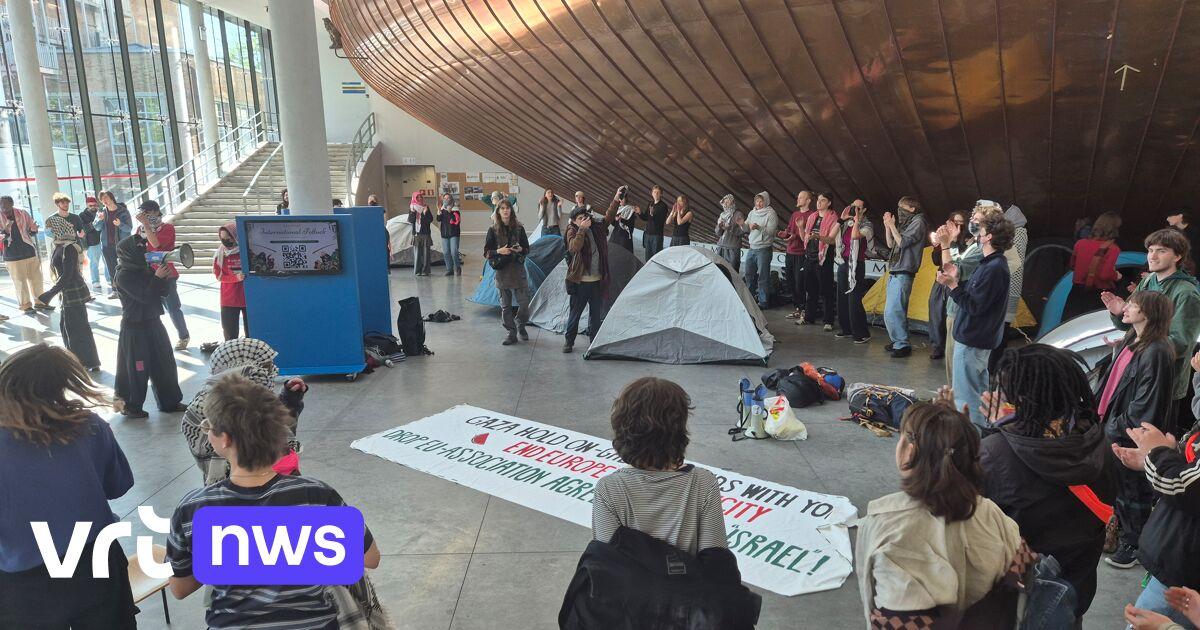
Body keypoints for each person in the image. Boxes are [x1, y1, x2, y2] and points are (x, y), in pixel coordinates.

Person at [167, 372, 380, 629]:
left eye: (209, 427)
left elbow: (179, 588)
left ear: (224, 439)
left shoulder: (194, 509)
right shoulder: (316, 495)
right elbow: (370, 558)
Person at [0, 344, 137, 630]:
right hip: (96, 563)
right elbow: (118, 485)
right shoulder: (89, 425)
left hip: (23, 583)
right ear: (63, 383)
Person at [980, 344, 1117, 620]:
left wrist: (999, 432)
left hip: (1015, 600)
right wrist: (1010, 427)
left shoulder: (994, 454)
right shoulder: (1097, 443)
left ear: (1020, 401)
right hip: (1070, 595)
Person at [856, 402, 1022, 627]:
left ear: (909, 451)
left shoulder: (886, 525)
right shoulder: (992, 514)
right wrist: (948, 430)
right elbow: (1022, 571)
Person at [593, 377, 726, 555]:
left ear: (622, 428)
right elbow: (716, 559)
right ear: (680, 429)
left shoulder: (609, 489)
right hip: (689, 582)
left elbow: (606, 562)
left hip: (630, 582)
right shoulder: (703, 483)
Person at [1095, 290, 1175, 569]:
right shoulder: (1135, 339)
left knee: (1133, 489)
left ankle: (1134, 542)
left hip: (1129, 433)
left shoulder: (1156, 351)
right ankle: (1126, 535)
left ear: (1148, 313)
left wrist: (1113, 429)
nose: (1126, 308)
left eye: (1132, 305)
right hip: (1116, 425)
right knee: (1121, 487)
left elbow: (1144, 406)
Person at [1103, 228, 1200, 437]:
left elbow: (1181, 343)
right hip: (1135, 369)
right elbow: (1130, 323)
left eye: (1161, 251)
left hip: (1165, 378)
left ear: (1177, 256)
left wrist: (1141, 347)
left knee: (1151, 434)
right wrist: (1119, 314)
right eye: (1150, 250)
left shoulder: (1187, 293)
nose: (1152, 256)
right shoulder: (1149, 281)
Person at [1112, 403, 1200, 630]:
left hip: (1184, 572)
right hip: (1177, 562)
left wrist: (1157, 453)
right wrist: (1153, 460)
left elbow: (1185, 486)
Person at [180, 338, 307, 484]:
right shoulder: (205, 407)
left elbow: (276, 431)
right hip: (251, 483)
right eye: (266, 366)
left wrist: (288, 400)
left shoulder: (204, 503)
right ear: (242, 368)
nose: (273, 371)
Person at [935, 213, 1013, 430]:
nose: (977, 230)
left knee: (965, 398)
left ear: (988, 237)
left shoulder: (994, 268)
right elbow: (976, 298)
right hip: (977, 339)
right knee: (979, 394)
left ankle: (968, 443)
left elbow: (974, 307)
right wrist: (957, 281)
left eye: (981, 228)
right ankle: (979, 437)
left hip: (972, 340)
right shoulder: (991, 264)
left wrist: (952, 286)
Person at [113, 234, 185, 418]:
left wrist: (164, 279)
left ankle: (170, 401)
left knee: (165, 363)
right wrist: (157, 278)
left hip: (153, 323)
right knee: (136, 369)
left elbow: (160, 293)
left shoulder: (144, 269)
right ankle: (130, 406)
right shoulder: (123, 275)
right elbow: (144, 297)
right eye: (138, 248)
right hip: (134, 328)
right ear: (128, 252)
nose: (143, 251)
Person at [936, 202, 1002, 378]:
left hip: (962, 313)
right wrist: (953, 242)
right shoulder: (975, 248)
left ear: (988, 231)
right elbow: (957, 263)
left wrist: (945, 245)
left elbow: (953, 269)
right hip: (956, 309)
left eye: (975, 220)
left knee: (959, 373)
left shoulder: (987, 258)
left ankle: (957, 405)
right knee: (953, 367)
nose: (971, 223)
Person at [135, 200, 190, 350]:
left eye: (146, 213)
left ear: (155, 212)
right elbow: (137, 247)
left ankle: (183, 336)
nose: (144, 217)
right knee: (151, 308)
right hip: (148, 273)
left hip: (166, 273)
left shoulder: (167, 228)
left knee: (172, 307)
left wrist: (146, 225)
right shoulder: (141, 230)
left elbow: (157, 244)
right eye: (142, 214)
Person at [881, 196, 928, 358]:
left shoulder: (918, 222)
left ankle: (902, 344)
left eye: (902, 208)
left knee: (896, 310)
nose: (899, 212)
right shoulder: (905, 223)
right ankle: (896, 341)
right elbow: (890, 244)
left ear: (912, 209)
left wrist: (893, 226)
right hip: (895, 269)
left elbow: (902, 243)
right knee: (889, 311)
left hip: (904, 271)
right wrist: (888, 227)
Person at [563, 207, 611, 354]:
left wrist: (616, 199)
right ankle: (569, 342)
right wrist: (582, 230)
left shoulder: (596, 228)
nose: (584, 220)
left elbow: (608, 218)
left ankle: (593, 342)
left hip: (596, 280)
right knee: (574, 315)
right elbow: (574, 247)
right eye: (580, 219)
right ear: (574, 221)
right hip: (580, 282)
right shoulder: (572, 230)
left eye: (585, 217)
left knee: (595, 315)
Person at [485, 199, 530, 345]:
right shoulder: (492, 230)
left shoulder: (519, 228)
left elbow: (527, 249)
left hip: (518, 271)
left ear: (511, 210)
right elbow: (486, 253)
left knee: (524, 305)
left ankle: (521, 325)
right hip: (502, 272)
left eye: (508, 208)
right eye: (502, 208)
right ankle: (511, 332)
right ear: (498, 211)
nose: (505, 211)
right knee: (505, 307)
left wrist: (521, 249)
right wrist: (499, 251)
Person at [1063, 211, 1121, 323]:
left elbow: (1072, 266)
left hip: (1077, 291)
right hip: (1099, 294)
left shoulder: (1080, 243)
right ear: (1114, 229)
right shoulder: (1113, 248)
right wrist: (1116, 275)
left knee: (1071, 323)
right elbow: (1104, 275)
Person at [990, 205, 1029, 372]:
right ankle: (996, 365)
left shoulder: (1014, 234)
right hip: (1012, 286)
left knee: (999, 329)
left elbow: (1010, 260)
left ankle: (993, 366)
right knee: (1003, 327)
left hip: (1005, 285)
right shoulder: (1022, 233)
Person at [928, 212, 969, 360]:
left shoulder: (968, 240)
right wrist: (937, 246)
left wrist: (954, 241)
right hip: (941, 279)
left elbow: (958, 263)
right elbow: (935, 260)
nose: (957, 226)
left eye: (960, 223)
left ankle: (952, 346)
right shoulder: (944, 236)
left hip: (956, 282)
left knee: (952, 315)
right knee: (935, 311)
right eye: (954, 222)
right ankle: (937, 346)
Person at [0, 196, 51, 315]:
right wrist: (6, 230)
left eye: (5, 204)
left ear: (11, 204)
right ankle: (26, 306)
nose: (3, 207)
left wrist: (34, 229)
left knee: (36, 279)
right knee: (19, 281)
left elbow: (31, 230)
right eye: (1, 205)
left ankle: (40, 302)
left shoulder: (22, 213)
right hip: (12, 255)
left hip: (29, 250)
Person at [37, 192, 86, 307]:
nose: (65, 204)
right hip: (60, 249)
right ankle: (67, 299)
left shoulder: (75, 217)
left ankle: (73, 299)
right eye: (62, 202)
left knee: (74, 275)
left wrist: (80, 234)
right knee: (66, 275)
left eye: (67, 202)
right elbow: (49, 233)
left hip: (73, 247)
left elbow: (81, 232)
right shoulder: (52, 219)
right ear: (57, 204)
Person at [835, 200, 873, 343]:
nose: (854, 209)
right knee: (842, 297)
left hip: (857, 264)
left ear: (864, 210)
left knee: (854, 298)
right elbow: (833, 235)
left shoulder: (868, 225)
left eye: (858, 208)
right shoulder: (846, 223)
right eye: (853, 206)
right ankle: (846, 329)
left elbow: (855, 236)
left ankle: (861, 333)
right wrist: (843, 219)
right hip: (843, 262)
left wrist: (857, 221)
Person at [802, 192, 840, 331]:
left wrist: (818, 236)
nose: (819, 203)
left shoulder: (833, 218)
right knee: (810, 289)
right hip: (810, 257)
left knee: (825, 290)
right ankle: (809, 317)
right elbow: (805, 237)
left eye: (822, 200)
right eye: (818, 200)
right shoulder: (813, 216)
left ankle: (828, 321)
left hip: (823, 258)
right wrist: (801, 228)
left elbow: (831, 240)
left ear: (829, 203)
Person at [778, 191, 813, 320]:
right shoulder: (794, 214)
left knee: (800, 283)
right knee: (790, 282)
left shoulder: (811, 215)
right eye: (798, 197)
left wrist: (796, 234)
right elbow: (790, 230)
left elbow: (808, 236)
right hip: (790, 252)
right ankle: (798, 308)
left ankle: (804, 309)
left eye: (801, 197)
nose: (798, 199)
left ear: (808, 200)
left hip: (802, 254)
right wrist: (785, 234)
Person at [742, 191, 779, 309]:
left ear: (766, 201)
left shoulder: (771, 213)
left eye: (761, 201)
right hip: (752, 247)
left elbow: (772, 232)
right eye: (757, 201)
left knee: (763, 276)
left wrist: (758, 227)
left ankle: (763, 302)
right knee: (749, 274)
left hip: (764, 249)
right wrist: (742, 224)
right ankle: (750, 298)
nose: (758, 203)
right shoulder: (752, 212)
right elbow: (746, 226)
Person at [96, 190, 132, 299]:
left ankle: (128, 290)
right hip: (107, 246)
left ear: (112, 198)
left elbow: (129, 228)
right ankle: (115, 290)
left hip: (122, 245)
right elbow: (97, 228)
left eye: (106, 197)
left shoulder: (123, 211)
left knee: (125, 267)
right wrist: (100, 220)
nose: (104, 201)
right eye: (102, 199)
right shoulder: (101, 212)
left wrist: (120, 224)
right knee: (111, 268)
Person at [214, 221, 247, 340]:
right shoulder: (220, 254)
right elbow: (219, 276)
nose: (226, 241)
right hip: (229, 298)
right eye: (222, 238)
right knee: (230, 334)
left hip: (247, 297)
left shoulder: (247, 251)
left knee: (252, 333)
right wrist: (235, 278)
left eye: (229, 238)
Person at [77, 195, 105, 291]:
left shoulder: (102, 212)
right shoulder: (82, 215)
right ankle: (95, 281)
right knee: (94, 262)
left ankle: (110, 279)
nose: (93, 207)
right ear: (87, 205)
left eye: (94, 205)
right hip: (92, 242)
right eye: (90, 205)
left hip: (104, 239)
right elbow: (84, 229)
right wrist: (96, 222)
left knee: (107, 261)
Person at [714, 194, 744, 271]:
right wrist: (719, 227)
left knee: (732, 271)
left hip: (732, 247)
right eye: (724, 202)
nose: (726, 204)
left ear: (733, 203)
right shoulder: (722, 215)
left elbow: (742, 232)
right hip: (721, 246)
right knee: (719, 270)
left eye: (728, 202)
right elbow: (718, 233)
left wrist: (730, 228)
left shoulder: (738, 214)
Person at [638, 185, 669, 258]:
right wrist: (639, 213)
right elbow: (645, 217)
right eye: (654, 192)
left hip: (657, 235)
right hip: (648, 234)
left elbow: (661, 221)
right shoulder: (650, 203)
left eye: (658, 192)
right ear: (652, 193)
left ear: (661, 194)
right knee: (647, 257)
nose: (656, 194)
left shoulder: (663, 206)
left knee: (656, 257)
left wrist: (652, 215)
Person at [604, 187, 638, 254]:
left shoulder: (631, 210)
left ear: (626, 199)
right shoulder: (617, 209)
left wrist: (622, 219)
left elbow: (631, 227)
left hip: (624, 238)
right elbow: (614, 224)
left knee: (623, 256)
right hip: (616, 235)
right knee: (611, 254)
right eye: (620, 198)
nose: (621, 200)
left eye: (623, 198)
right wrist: (614, 220)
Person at [408, 191, 433, 276]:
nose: (419, 198)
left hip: (425, 233)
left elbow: (430, 220)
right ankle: (418, 271)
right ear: (414, 198)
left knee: (426, 254)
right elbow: (411, 221)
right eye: (417, 197)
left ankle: (425, 271)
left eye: (420, 197)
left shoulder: (425, 207)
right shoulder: (412, 207)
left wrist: (425, 213)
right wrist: (412, 212)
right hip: (416, 234)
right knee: (418, 254)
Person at [437, 192, 462, 276]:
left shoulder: (455, 209)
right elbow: (438, 219)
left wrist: (450, 212)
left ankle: (457, 267)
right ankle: (449, 269)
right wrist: (438, 211)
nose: (446, 200)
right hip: (444, 234)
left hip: (454, 234)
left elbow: (457, 222)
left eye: (448, 198)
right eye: (445, 198)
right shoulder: (442, 209)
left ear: (451, 199)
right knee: (446, 252)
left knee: (454, 252)